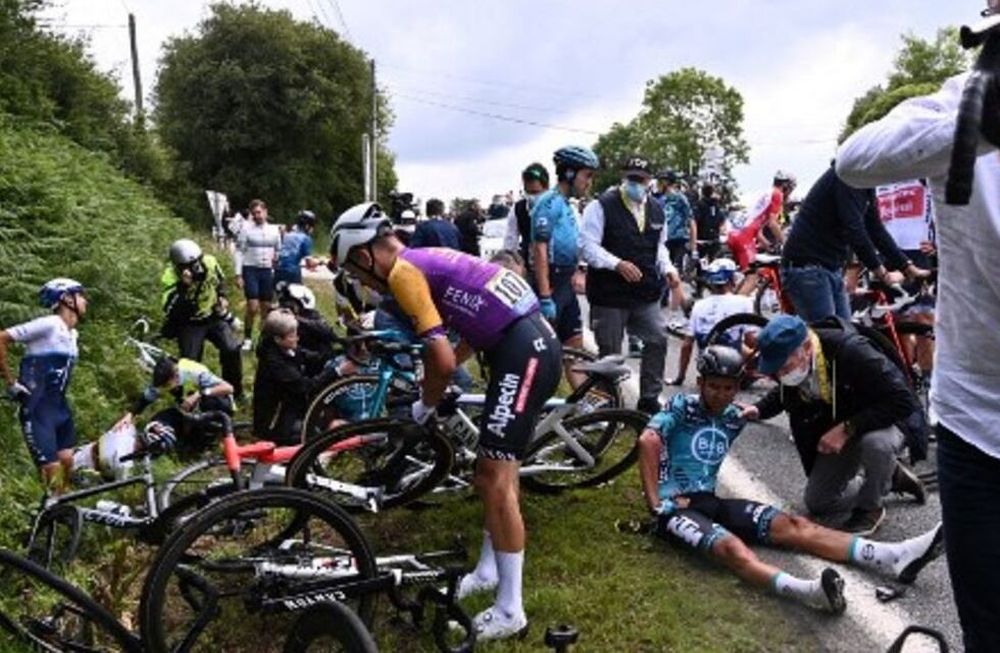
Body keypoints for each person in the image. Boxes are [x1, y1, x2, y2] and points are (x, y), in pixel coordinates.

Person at [329, 202, 561, 640]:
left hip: (523, 353)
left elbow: (439, 359)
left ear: (363, 255)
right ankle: (490, 571)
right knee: (493, 474)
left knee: (494, 476)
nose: (361, 282)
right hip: (526, 344)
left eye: (356, 274)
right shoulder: (422, 260)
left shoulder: (401, 273)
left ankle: (511, 609)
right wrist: (437, 379)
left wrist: (425, 404)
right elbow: (471, 332)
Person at [835, 45, 1000, 649]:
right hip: (973, 420)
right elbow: (855, 159)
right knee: (986, 621)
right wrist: (978, 126)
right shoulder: (967, 99)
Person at [638, 346, 945, 613]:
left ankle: (894, 556)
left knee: (794, 525)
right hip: (675, 510)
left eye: (728, 388)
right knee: (731, 549)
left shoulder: (733, 416)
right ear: (701, 383)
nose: (721, 394)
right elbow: (648, 440)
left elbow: (784, 398)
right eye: (714, 387)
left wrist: (761, 407)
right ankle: (808, 592)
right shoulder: (682, 406)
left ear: (737, 388)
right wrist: (656, 503)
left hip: (711, 502)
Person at [742, 315, 926, 534]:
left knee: (876, 444)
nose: (781, 374)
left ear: (807, 347)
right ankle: (891, 477)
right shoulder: (797, 362)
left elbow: (903, 400)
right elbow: (786, 390)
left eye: (785, 366)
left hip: (889, 416)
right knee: (819, 502)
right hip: (847, 421)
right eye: (776, 371)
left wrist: (847, 428)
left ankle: (870, 509)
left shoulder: (853, 352)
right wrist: (760, 409)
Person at [580, 155, 684, 414]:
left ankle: (649, 398)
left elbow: (659, 247)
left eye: (642, 179)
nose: (637, 183)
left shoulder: (657, 209)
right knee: (610, 355)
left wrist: (669, 269)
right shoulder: (601, 206)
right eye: (632, 178)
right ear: (623, 178)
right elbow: (587, 246)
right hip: (609, 295)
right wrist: (616, 263)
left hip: (644, 294)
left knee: (658, 339)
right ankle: (606, 405)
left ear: (650, 181)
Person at [779, 164, 929, 322]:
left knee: (847, 335)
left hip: (831, 266)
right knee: (831, 337)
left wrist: (908, 267)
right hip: (807, 267)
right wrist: (883, 274)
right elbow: (854, 230)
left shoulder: (865, 182)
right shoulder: (847, 176)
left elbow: (876, 229)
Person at [0, 279, 87, 492]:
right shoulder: (49, 324)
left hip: (60, 409)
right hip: (38, 409)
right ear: (67, 298)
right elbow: (1, 338)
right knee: (54, 477)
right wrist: (10, 381)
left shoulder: (73, 334)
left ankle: (61, 518)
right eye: (81, 295)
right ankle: (46, 518)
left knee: (68, 465)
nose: (86, 300)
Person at [530, 146, 596, 382]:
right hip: (552, 284)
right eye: (587, 175)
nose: (589, 182)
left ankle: (582, 410)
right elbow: (540, 248)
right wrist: (545, 295)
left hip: (565, 284)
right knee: (543, 358)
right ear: (569, 173)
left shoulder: (567, 204)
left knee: (574, 352)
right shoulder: (549, 203)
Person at [160, 238, 243, 400]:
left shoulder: (210, 262)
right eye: (188, 266)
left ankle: (234, 390)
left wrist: (222, 296)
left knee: (231, 349)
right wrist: (183, 287)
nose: (195, 268)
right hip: (189, 322)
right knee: (190, 362)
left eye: (197, 262)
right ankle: (191, 397)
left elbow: (219, 281)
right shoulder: (170, 277)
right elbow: (170, 309)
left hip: (212, 316)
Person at [115, 355, 234, 455]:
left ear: (176, 376)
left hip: (217, 403)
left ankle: (211, 436)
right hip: (188, 410)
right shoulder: (163, 380)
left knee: (209, 402)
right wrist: (129, 415)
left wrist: (200, 394)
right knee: (160, 420)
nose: (164, 389)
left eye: (166, 385)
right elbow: (144, 400)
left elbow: (228, 388)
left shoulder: (193, 371)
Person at [253, 309, 339, 445]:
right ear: (277, 339)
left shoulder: (285, 349)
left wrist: (338, 352)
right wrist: (337, 371)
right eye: (292, 335)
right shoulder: (275, 362)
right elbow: (305, 386)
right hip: (275, 420)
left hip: (291, 407)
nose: (297, 338)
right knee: (314, 437)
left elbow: (311, 357)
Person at [666, 258, 751, 386]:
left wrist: (680, 377)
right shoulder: (744, 302)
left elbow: (687, 345)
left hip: (707, 366)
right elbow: (751, 338)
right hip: (733, 365)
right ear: (732, 280)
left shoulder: (699, 305)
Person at [727, 171, 794, 287]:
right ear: (785, 186)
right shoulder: (778, 195)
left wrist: (767, 245)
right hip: (744, 237)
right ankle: (735, 304)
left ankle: (736, 297)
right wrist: (786, 243)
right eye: (791, 188)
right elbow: (773, 224)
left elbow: (755, 227)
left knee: (747, 275)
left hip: (735, 234)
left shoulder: (766, 193)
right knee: (753, 277)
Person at [235, 198, 282, 350]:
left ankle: (263, 339)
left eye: (259, 212)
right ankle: (247, 338)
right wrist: (238, 274)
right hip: (251, 269)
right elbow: (239, 252)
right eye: (254, 213)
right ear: (251, 214)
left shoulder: (274, 230)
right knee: (252, 306)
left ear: (265, 212)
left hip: (267, 270)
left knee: (266, 308)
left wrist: (277, 258)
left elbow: (278, 249)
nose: (258, 216)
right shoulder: (246, 229)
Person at [276, 282, 337, 375]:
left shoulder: (312, 318)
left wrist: (298, 319)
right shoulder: (280, 319)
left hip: (315, 364)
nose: (286, 306)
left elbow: (330, 334)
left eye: (290, 303)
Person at [504, 163, 550, 272]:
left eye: (535, 192)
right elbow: (510, 241)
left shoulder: (561, 207)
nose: (531, 196)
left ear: (546, 188)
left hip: (557, 271)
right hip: (529, 268)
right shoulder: (518, 209)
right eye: (527, 192)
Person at [654, 170, 696, 273]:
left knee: (674, 271)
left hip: (678, 239)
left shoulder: (679, 198)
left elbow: (691, 221)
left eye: (661, 181)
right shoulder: (657, 199)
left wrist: (693, 244)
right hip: (662, 240)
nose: (658, 184)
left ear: (667, 183)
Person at [275, 210, 319, 286]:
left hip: (278, 269)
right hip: (292, 271)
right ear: (307, 226)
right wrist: (320, 262)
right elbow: (310, 264)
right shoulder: (306, 238)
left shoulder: (288, 235)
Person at [693, 183, 727, 261]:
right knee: (714, 263)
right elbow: (722, 220)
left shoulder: (699, 205)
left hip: (702, 239)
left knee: (701, 264)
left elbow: (694, 221)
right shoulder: (716, 205)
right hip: (714, 239)